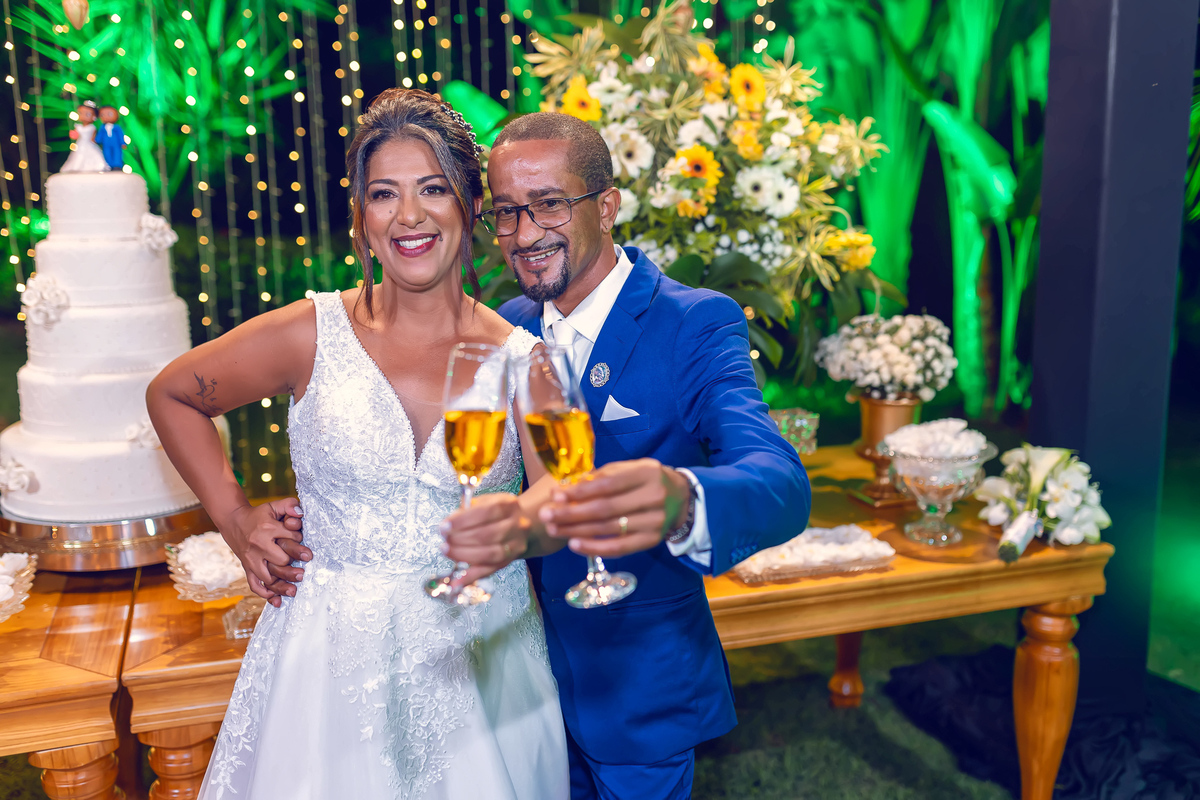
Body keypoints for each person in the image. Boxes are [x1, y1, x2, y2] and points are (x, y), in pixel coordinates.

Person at [146, 89, 568, 799]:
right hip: (327, 671)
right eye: (383, 194)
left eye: (433, 188)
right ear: (361, 217)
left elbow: (567, 488)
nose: (409, 215)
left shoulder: (527, 362)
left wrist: (523, 524)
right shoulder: (309, 334)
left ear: (470, 205)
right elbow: (174, 394)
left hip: (482, 663)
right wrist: (235, 517)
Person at [440, 113, 812, 799]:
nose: (524, 234)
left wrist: (682, 499)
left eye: (549, 204)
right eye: (507, 212)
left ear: (607, 206)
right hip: (518, 683)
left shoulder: (695, 321)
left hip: (639, 694)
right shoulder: (505, 325)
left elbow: (780, 480)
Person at [60, 100, 108, 173]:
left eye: (88, 114)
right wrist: (73, 134)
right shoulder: (78, 126)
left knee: (92, 154)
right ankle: (76, 167)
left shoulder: (92, 127)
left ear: (94, 117)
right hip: (80, 143)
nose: (83, 116)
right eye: (81, 113)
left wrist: (95, 142)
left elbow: (93, 137)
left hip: (89, 144)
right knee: (78, 155)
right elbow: (75, 135)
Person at [93, 105, 126, 171]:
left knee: (117, 154)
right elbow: (100, 135)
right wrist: (97, 140)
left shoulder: (117, 127)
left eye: (110, 114)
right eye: (102, 115)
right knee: (106, 154)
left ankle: (117, 165)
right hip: (106, 144)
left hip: (116, 144)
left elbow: (120, 135)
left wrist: (123, 143)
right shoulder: (102, 127)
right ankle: (109, 165)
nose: (106, 117)